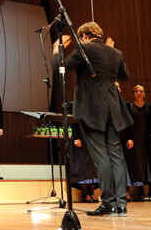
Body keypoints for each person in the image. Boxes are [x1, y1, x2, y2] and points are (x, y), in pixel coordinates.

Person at [53, 21, 133, 217]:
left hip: (92, 112)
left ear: (85, 35)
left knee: (101, 158)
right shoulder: (116, 53)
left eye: (81, 38)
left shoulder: (84, 49)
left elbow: (60, 68)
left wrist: (57, 50)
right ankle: (121, 203)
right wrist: (109, 55)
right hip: (113, 110)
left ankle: (108, 202)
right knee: (115, 156)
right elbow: (125, 75)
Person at [125, 85, 151, 202]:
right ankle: (141, 192)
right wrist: (129, 138)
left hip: (148, 139)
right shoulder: (130, 107)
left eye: (141, 91)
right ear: (133, 94)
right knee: (139, 165)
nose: (139, 93)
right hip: (136, 140)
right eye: (136, 91)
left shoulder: (149, 107)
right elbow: (128, 125)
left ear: (144, 94)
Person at [70, 122, 99, 203]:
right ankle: (86, 194)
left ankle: (92, 193)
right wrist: (76, 137)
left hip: (93, 136)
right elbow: (74, 121)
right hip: (80, 136)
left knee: (93, 166)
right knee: (82, 165)